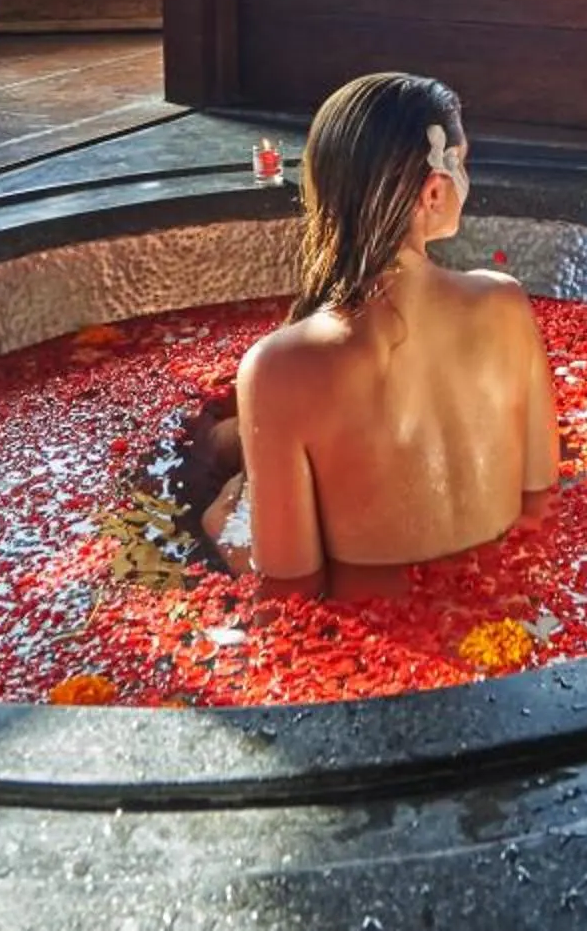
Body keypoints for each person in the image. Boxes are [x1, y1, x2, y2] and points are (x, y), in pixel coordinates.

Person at [196, 74, 558, 600]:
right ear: (434, 190)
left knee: (221, 508)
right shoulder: (506, 303)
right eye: (463, 164)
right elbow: (540, 496)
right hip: (501, 604)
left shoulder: (278, 366)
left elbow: (290, 590)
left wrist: (225, 519)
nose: (467, 182)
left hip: (376, 632)